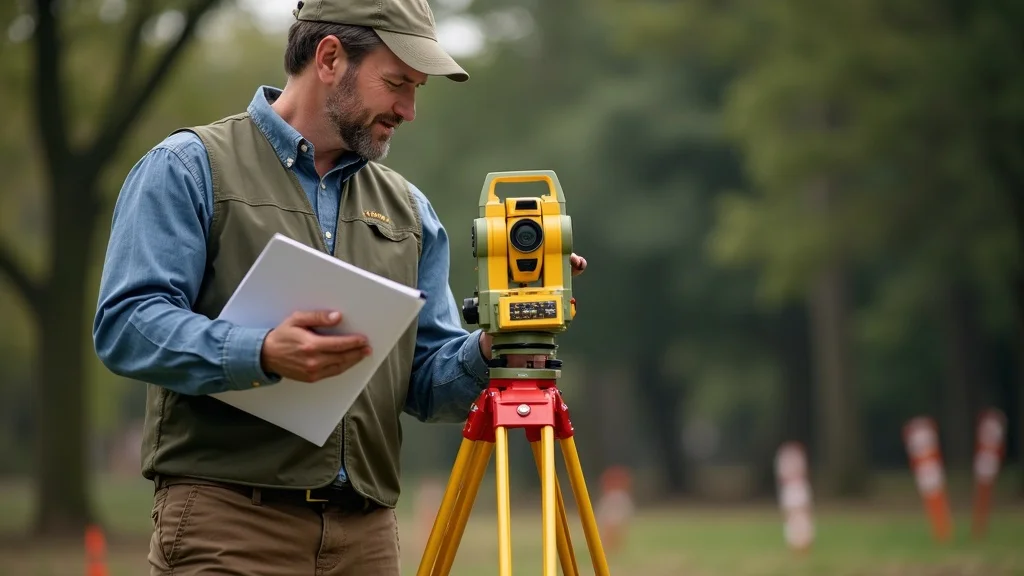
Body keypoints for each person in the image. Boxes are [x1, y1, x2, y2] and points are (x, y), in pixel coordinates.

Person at [91, 1, 587, 574]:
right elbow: (126, 325)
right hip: (227, 527)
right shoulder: (188, 167)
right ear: (329, 58)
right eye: (397, 83)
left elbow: (427, 384)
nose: (409, 109)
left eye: (416, 88)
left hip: (368, 538)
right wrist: (261, 350)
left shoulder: (411, 210)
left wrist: (496, 341)